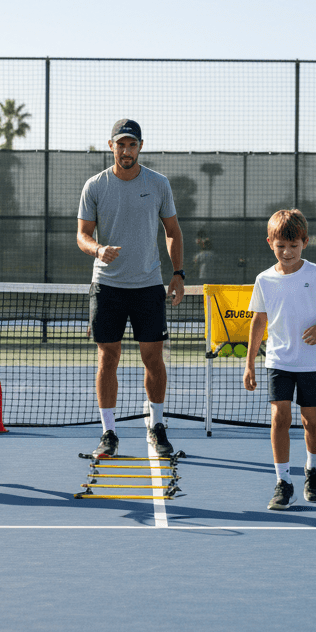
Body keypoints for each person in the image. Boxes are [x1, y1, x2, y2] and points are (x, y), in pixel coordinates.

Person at [76, 119, 185, 458]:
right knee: (108, 359)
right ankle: (109, 432)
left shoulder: (159, 184)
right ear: (111, 146)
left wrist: (178, 273)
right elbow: (82, 235)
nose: (126, 150)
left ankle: (156, 425)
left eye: (132, 145)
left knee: (153, 358)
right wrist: (97, 249)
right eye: (120, 144)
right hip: (107, 287)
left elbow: (172, 232)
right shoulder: (94, 186)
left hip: (148, 286)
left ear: (140, 146)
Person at [243, 209, 316, 510]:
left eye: (294, 246)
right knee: (279, 419)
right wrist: (249, 363)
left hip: (311, 362)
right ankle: (283, 482)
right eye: (280, 246)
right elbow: (258, 322)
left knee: (310, 421)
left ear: (305, 242)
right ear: (270, 242)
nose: (287, 252)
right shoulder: (263, 280)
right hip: (277, 361)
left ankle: (313, 469)